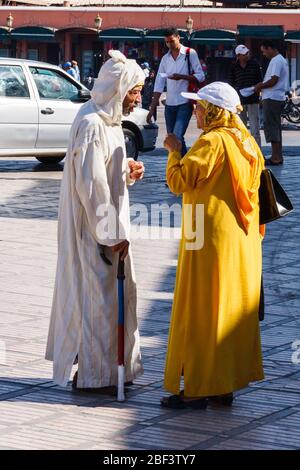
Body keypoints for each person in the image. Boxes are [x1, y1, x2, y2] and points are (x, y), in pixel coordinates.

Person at [45, 50, 145, 394]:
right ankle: (95, 376)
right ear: (119, 89)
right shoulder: (91, 125)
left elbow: (107, 173)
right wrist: (110, 235)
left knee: (112, 302)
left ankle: (113, 371)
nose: (138, 98)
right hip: (96, 233)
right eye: (135, 92)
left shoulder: (109, 122)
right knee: (97, 303)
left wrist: (128, 171)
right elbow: (91, 187)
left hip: (109, 230)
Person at [161, 82, 265, 409]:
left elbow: (180, 181)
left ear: (215, 111)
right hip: (242, 240)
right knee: (230, 312)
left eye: (200, 107)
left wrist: (174, 151)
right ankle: (223, 385)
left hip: (206, 238)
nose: (196, 112)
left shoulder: (212, 141)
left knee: (202, 310)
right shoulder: (248, 142)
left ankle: (197, 387)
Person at [146, 27, 205, 156]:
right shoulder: (165, 59)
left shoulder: (190, 53)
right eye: (166, 42)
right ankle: (180, 168)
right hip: (169, 104)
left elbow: (201, 76)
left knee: (177, 136)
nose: (169, 45)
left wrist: (182, 77)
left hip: (185, 102)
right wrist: (152, 107)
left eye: (171, 41)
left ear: (178, 38)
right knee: (172, 140)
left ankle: (183, 167)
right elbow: (159, 83)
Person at [255, 40, 289, 165]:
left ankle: (276, 157)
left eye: (264, 51)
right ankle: (278, 156)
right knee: (276, 127)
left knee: (272, 127)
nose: (264, 54)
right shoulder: (281, 60)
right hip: (275, 97)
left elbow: (274, 80)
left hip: (272, 97)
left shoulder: (276, 60)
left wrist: (260, 86)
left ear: (270, 48)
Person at [229, 44, 262, 147]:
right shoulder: (234, 66)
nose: (247, 55)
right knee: (240, 128)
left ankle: (257, 152)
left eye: (247, 53)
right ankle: (243, 151)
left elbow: (259, 81)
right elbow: (231, 82)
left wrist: (257, 91)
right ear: (238, 56)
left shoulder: (255, 64)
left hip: (253, 99)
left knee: (255, 129)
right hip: (239, 101)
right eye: (244, 54)